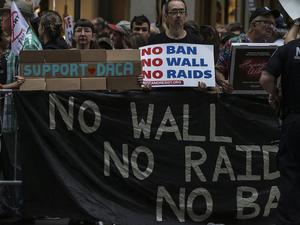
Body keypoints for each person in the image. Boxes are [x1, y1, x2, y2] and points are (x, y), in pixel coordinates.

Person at [0, 0, 42, 223]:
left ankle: (23, 210)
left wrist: (3, 89)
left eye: (6, 15)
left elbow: (28, 81)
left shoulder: (28, 43)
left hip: (20, 116)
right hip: (10, 115)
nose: (2, 20)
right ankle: (12, 206)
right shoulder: (16, 42)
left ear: (18, 17)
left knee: (19, 166)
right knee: (10, 165)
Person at [260, 35, 300, 225]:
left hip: (295, 120)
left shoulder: (287, 49)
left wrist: (274, 95)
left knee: (291, 172)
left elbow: (266, 78)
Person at [216, 7, 280, 93]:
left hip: (262, 101)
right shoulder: (234, 42)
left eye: (272, 24)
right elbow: (218, 69)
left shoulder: (272, 47)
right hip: (234, 101)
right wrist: (223, 82)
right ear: (254, 25)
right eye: (266, 23)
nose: (271, 27)